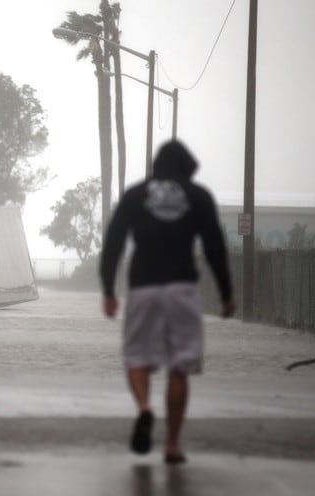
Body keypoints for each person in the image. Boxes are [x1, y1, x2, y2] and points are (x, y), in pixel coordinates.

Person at [100, 140, 235, 464]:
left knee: (136, 357)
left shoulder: (135, 195)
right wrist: (226, 293)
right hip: (182, 287)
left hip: (143, 286)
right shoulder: (198, 196)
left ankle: (145, 408)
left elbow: (114, 242)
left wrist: (108, 290)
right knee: (180, 366)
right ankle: (172, 445)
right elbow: (215, 246)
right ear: (186, 167)